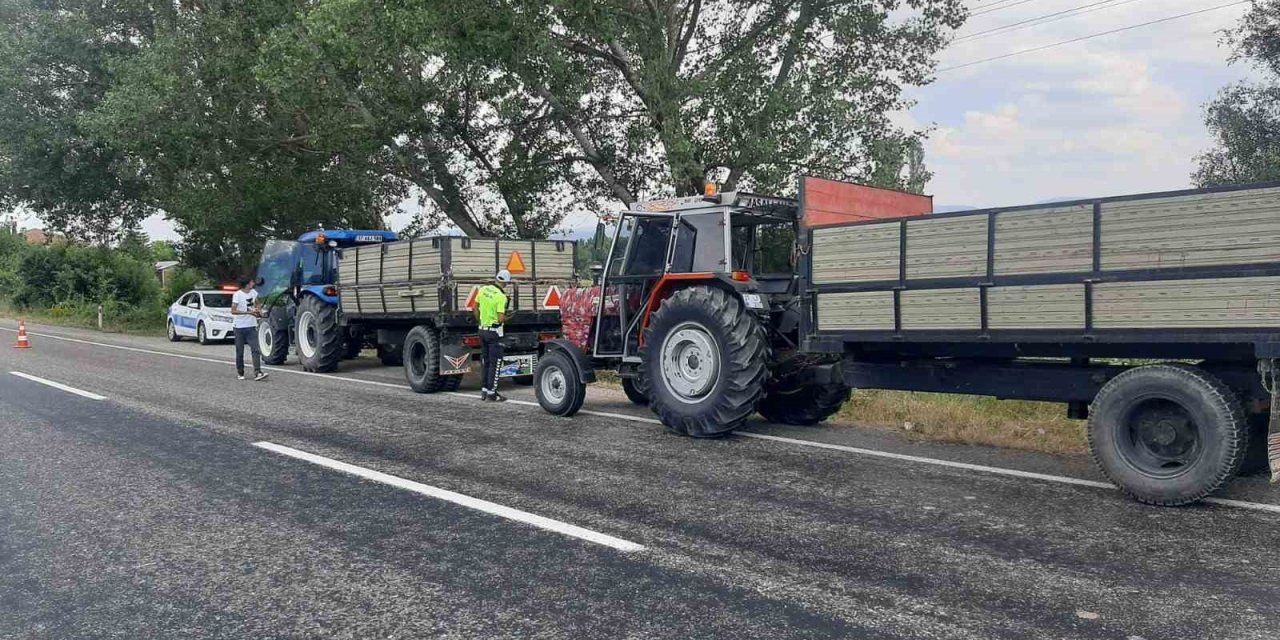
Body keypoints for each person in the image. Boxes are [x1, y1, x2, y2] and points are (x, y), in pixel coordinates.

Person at [474, 269, 512, 401]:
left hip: (482, 330)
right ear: (506, 282)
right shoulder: (501, 297)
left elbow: (475, 307)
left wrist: (480, 321)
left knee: (486, 361)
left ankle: (484, 391)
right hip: (494, 332)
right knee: (495, 363)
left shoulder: (483, 289)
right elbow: (500, 318)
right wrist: (509, 317)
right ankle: (492, 393)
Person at [231, 278, 269, 381]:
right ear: (247, 284)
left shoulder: (253, 292)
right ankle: (240, 372)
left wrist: (259, 310)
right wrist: (247, 313)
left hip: (251, 326)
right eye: (251, 282)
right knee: (240, 351)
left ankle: (257, 372)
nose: (253, 283)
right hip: (239, 327)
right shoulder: (237, 295)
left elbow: (257, 304)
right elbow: (233, 311)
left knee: (255, 349)